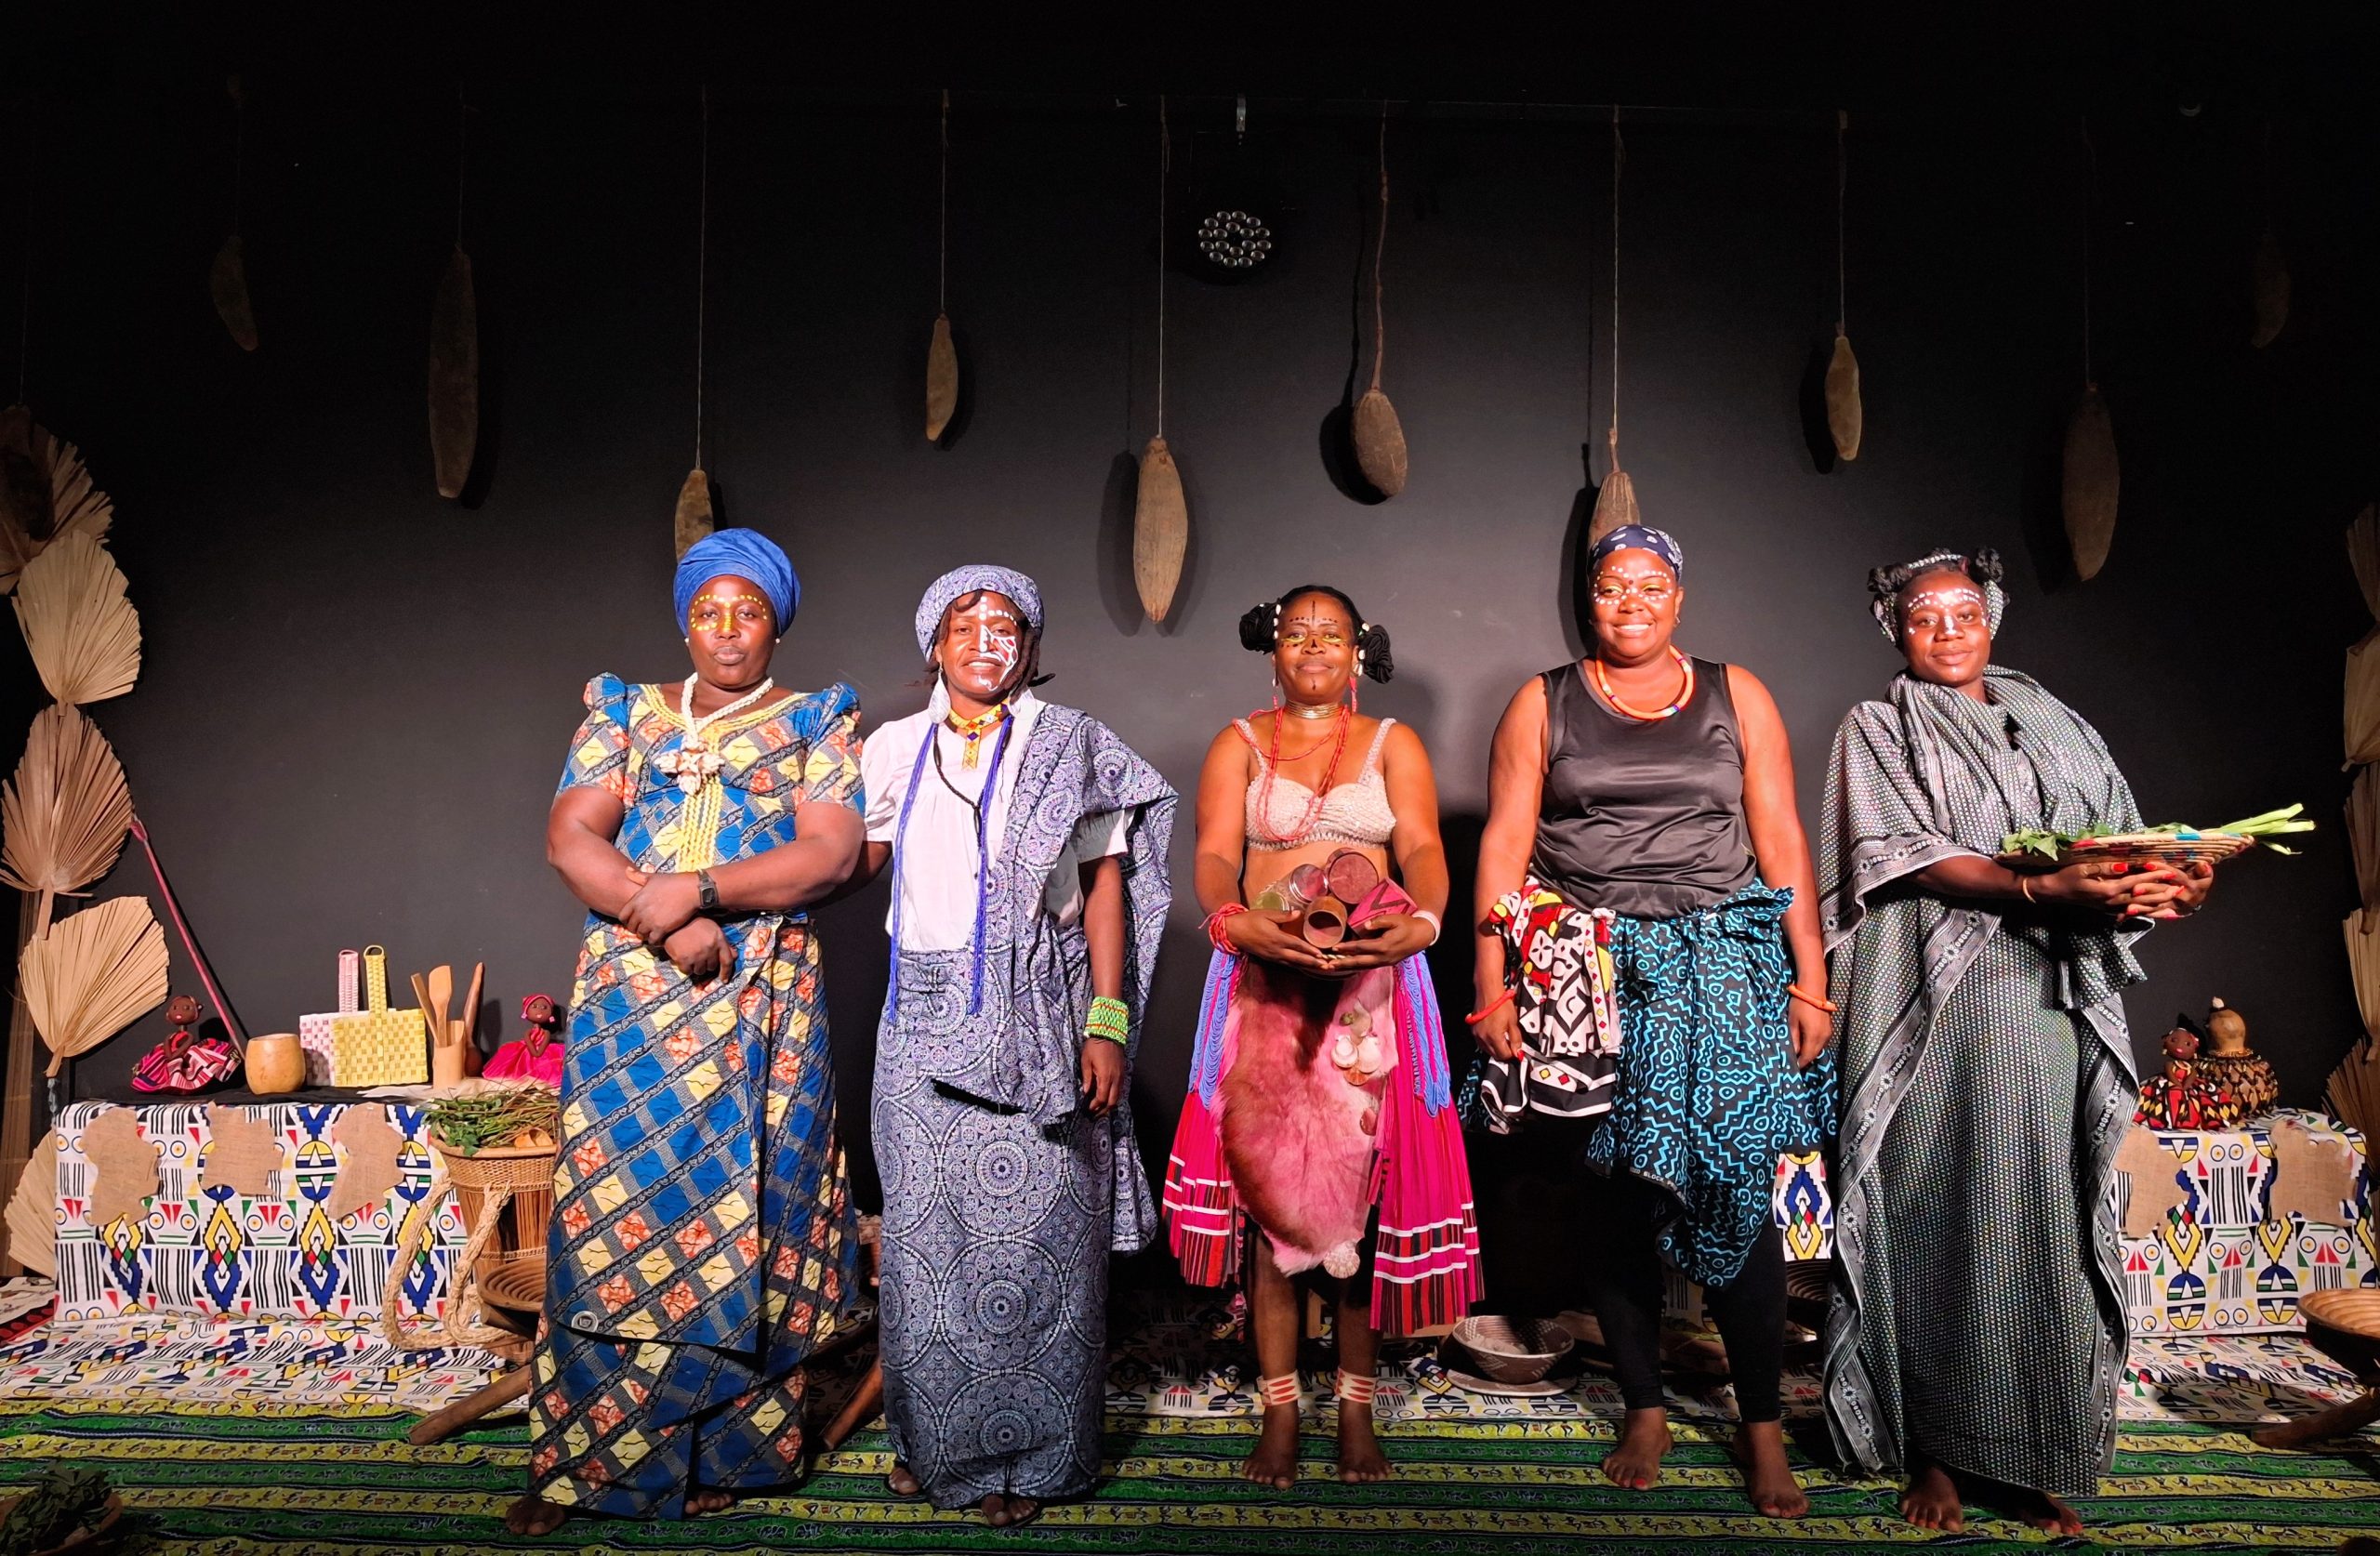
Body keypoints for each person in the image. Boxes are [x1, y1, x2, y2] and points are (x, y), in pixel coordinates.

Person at [1820, 547, 2209, 1536]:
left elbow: (2117, 839)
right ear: (1895, 631)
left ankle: (2027, 1448)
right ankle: (1933, 1448)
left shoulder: (2054, 718)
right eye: (1923, 617)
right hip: (1937, 1004)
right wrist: (2035, 886)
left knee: (2043, 1208)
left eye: (1963, 611)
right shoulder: (1878, 726)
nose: (1946, 630)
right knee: (1937, 1204)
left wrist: (2165, 878)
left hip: (2046, 996)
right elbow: (1897, 855)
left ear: (1990, 616)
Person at [1470, 524, 1834, 1519]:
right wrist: (1492, 978)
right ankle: (1644, 1407)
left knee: (1736, 1188)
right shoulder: (1541, 700)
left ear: (1679, 598)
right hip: (1586, 969)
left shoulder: (1736, 693)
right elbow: (1505, 843)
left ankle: (1761, 1424)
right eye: (1610, 586)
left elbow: (1779, 836)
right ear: (1588, 602)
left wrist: (1810, 978)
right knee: (1611, 1192)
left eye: (1650, 584)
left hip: (1720, 964)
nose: (1629, 600)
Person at [510, 529, 866, 1534]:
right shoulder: (625, 712)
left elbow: (831, 854)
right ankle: (588, 1464)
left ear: (775, 624)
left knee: (748, 1211)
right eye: (708, 611)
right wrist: (660, 917)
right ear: (684, 622)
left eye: (748, 611)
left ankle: (726, 1454)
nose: (727, 630)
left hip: (761, 1000)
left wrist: (701, 889)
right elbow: (570, 835)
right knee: (613, 1213)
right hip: (631, 1002)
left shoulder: (815, 720)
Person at [855, 565, 1176, 1527]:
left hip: (1046, 1019)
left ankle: (1034, 1461)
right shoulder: (892, 748)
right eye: (965, 623)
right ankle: (934, 1448)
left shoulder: (1071, 743)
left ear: (1029, 648)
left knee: (1041, 1252)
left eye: (1006, 624)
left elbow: (1107, 887)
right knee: (926, 1254)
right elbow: (852, 860)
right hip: (921, 1024)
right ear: (934, 646)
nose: (986, 639)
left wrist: (1107, 1022)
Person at [1161, 585, 1483, 1489]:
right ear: (1271, 649)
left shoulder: (1391, 743)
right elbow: (1214, 854)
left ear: (1357, 652)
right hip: (1265, 983)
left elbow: (1424, 849)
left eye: (1331, 635)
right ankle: (1278, 1413)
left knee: (1358, 1207)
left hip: (1369, 992)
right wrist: (1231, 919)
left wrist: (1425, 920)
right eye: (1296, 633)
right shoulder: (1238, 742)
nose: (1313, 647)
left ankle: (1354, 1410)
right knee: (1273, 1204)